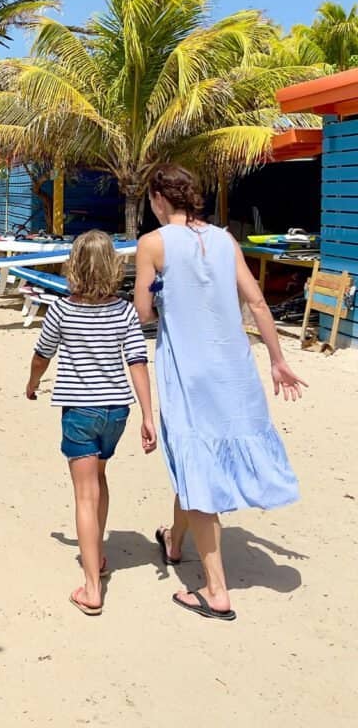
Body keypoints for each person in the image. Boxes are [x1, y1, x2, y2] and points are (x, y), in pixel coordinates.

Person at [134, 164, 305, 622]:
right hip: (233, 367)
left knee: (196, 460)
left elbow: (144, 312)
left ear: (157, 198)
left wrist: (164, 296)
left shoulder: (152, 244)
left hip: (188, 370)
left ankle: (216, 590)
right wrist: (277, 359)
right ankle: (174, 541)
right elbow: (257, 302)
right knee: (194, 456)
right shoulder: (225, 240)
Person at [26, 231, 157, 616]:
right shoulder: (124, 311)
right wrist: (148, 414)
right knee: (99, 480)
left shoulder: (63, 310)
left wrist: (32, 384)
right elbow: (137, 360)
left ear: (75, 266)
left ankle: (91, 587)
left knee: (85, 494)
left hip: (80, 410)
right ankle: (95, 552)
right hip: (117, 410)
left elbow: (41, 354)